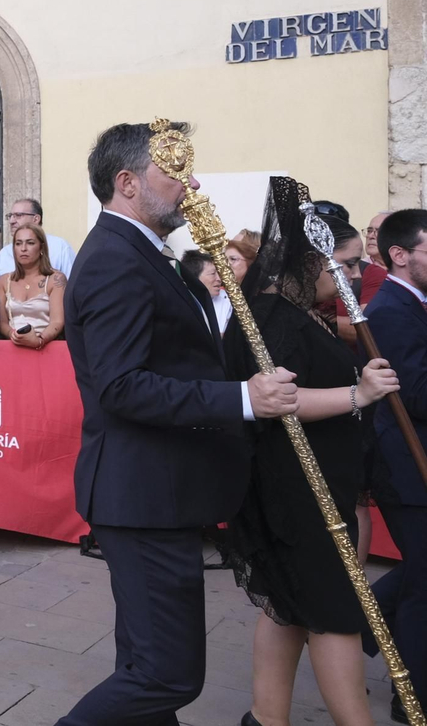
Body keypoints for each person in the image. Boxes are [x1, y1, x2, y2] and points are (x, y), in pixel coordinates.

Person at [57, 121, 299, 726]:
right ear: (128, 182)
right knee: (167, 674)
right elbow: (120, 386)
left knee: (144, 663)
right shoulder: (116, 258)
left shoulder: (146, 253)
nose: (190, 184)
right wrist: (240, 399)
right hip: (143, 493)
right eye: (175, 171)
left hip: (160, 489)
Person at [222, 184, 397, 726]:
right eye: (344, 265)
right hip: (298, 489)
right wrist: (357, 395)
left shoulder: (300, 310)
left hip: (318, 479)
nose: (351, 276)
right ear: (311, 259)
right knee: (335, 609)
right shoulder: (271, 317)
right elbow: (280, 399)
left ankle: (265, 716)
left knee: (291, 606)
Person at [365, 208, 427, 723]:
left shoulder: (415, 302)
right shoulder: (390, 309)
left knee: (421, 572)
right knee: (424, 586)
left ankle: (367, 621)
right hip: (408, 466)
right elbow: (417, 394)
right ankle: (412, 700)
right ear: (401, 256)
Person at [0, 223, 65, 349]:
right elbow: (2, 322)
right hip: (12, 347)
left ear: (41, 247)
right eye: (18, 243)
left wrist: (39, 340)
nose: (23, 248)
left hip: (45, 347)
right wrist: (12, 334)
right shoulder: (3, 281)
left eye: (30, 243)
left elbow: (58, 321)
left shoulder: (55, 279)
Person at [0, 198, 77, 283]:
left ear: (36, 219)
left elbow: (72, 286)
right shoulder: (4, 253)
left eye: (18, 215)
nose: (12, 221)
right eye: (10, 216)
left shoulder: (60, 247)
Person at [180, 250, 232, 335]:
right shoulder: (180, 301)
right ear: (193, 278)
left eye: (218, 273)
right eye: (212, 274)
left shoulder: (230, 300)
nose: (219, 279)